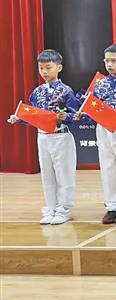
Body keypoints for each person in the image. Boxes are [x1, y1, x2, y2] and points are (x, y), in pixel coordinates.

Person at [7, 49, 79, 225]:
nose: (44, 72)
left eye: (48, 67)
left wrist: (67, 117)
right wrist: (19, 118)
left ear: (59, 67)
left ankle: (65, 209)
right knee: (47, 174)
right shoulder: (37, 92)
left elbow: (76, 115)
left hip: (61, 137)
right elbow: (33, 117)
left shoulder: (66, 91)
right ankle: (51, 207)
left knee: (64, 174)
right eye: (41, 68)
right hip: (43, 137)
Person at [74, 44, 116, 224]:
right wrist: (83, 115)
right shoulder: (100, 84)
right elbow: (94, 108)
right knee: (107, 166)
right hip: (103, 128)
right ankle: (111, 206)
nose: (109, 65)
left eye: (114, 61)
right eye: (106, 61)